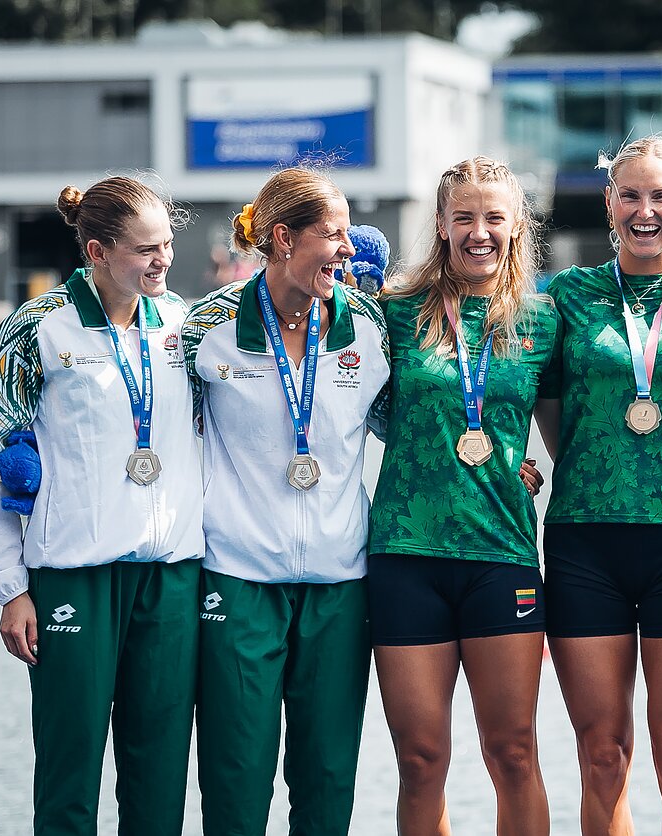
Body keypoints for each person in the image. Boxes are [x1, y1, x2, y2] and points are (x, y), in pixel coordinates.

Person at [0, 176, 204, 835]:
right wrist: (11, 588)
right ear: (97, 251)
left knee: (159, 782)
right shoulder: (36, 328)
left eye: (167, 245)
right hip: (74, 577)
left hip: (171, 578)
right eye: (145, 249)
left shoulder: (186, 324)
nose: (162, 260)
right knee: (68, 781)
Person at [534, 133, 662, 835]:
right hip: (585, 543)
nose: (644, 210)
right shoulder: (567, 295)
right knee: (602, 754)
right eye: (630, 195)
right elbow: (539, 403)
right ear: (609, 202)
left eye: (660, 196)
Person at [182, 167, 390, 836]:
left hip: (340, 581)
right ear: (282, 238)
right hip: (237, 579)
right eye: (333, 234)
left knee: (327, 780)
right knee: (236, 778)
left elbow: (415, 422)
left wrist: (506, 456)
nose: (348, 249)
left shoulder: (368, 324)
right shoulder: (206, 327)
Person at [367, 156, 556, 836]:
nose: (480, 232)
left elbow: (575, 429)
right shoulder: (392, 313)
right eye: (464, 217)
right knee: (420, 761)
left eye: (494, 217)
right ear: (442, 225)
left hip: (500, 555)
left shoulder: (543, 321)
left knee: (513, 752)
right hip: (406, 553)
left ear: (516, 226)